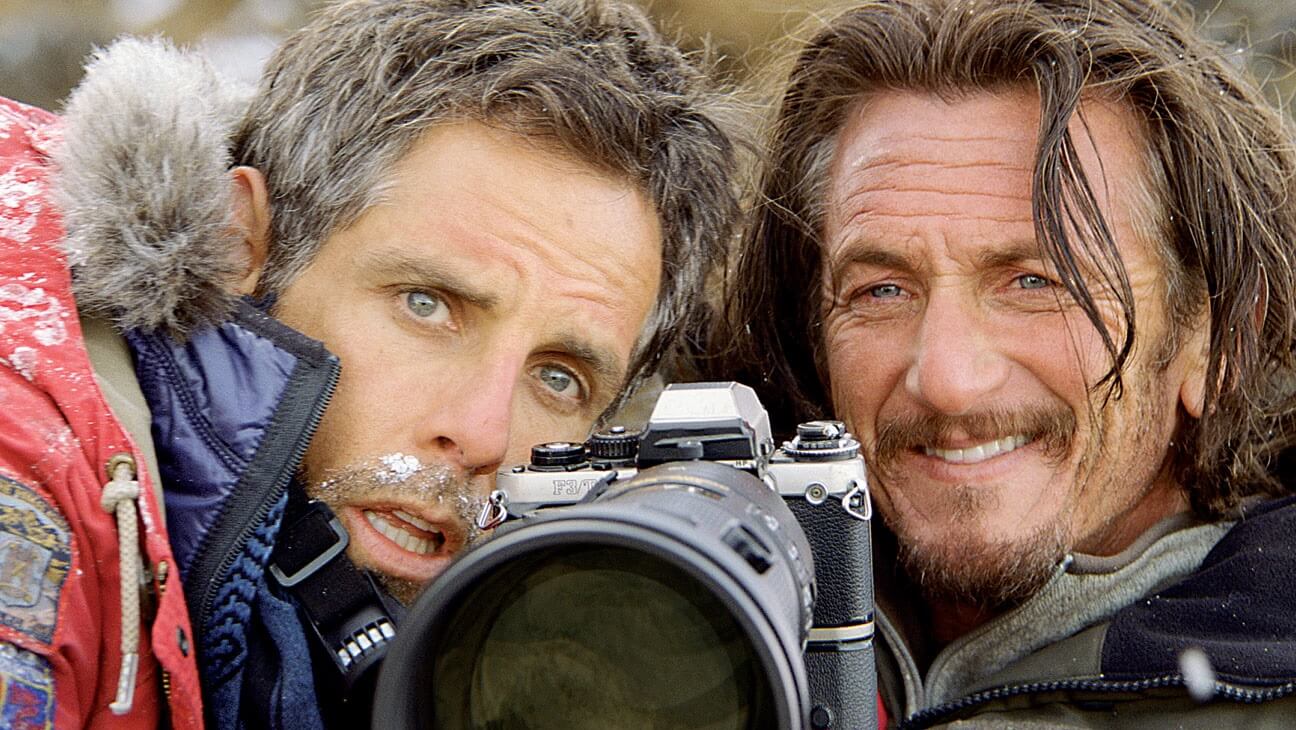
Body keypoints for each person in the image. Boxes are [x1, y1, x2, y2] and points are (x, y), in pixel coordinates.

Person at [0, 0, 741, 727]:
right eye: (427, 305)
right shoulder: (31, 471)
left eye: (557, 378)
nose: (481, 435)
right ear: (236, 243)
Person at [715, 0, 1296, 725]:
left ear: (1219, 343)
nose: (948, 382)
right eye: (882, 290)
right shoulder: (681, 640)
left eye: (1035, 282)